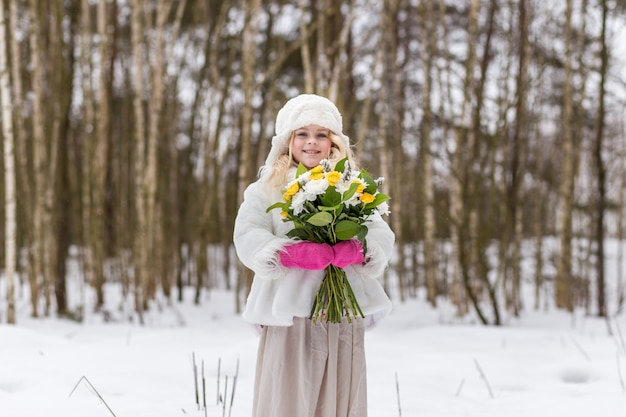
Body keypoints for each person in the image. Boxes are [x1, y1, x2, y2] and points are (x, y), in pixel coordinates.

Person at [233, 93, 395, 417]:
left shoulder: (352, 186)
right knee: (290, 396)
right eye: (302, 134)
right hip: (290, 314)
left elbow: (379, 232)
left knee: (340, 393)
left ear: (333, 141)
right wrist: (289, 254)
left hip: (341, 313)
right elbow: (248, 233)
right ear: (287, 141)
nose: (312, 143)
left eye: (321, 134)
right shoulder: (266, 189)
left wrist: (360, 249)